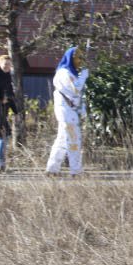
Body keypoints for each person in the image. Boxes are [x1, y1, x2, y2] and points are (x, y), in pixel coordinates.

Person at [46, 47, 89, 177]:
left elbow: (76, 96)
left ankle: (52, 169)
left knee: (62, 140)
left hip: (70, 110)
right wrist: (83, 76)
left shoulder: (71, 73)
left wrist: (82, 109)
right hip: (66, 111)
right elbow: (75, 89)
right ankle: (76, 171)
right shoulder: (64, 73)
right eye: (78, 58)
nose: (80, 61)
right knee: (73, 139)